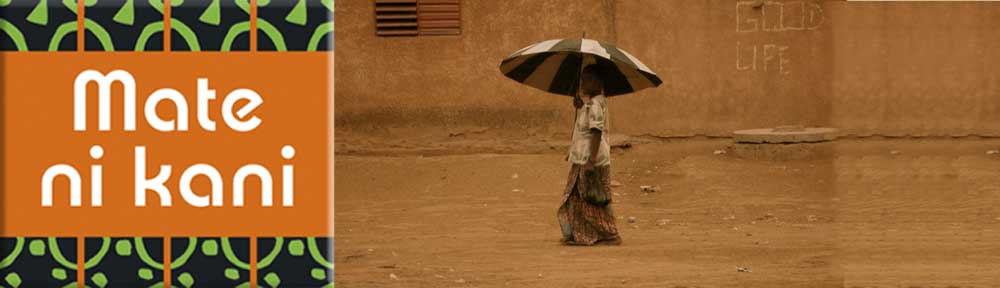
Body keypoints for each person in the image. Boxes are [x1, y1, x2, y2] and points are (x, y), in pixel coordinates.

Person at [557, 65, 622, 246]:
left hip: (590, 159)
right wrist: (581, 106)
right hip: (583, 158)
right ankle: (583, 234)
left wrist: (591, 161)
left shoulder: (595, 105)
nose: (582, 83)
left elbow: (596, 133)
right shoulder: (595, 103)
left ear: (597, 82)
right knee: (580, 197)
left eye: (587, 79)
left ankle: (608, 234)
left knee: (591, 198)